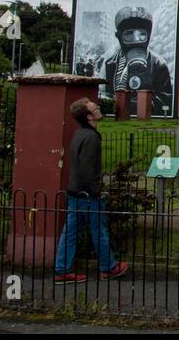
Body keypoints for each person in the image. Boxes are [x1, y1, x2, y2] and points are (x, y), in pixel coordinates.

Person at [54, 98, 128, 283]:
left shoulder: (80, 134)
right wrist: (96, 191)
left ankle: (62, 269)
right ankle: (108, 268)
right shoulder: (91, 138)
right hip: (87, 195)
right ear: (89, 116)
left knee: (70, 232)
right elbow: (87, 169)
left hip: (74, 191)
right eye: (94, 107)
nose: (98, 107)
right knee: (98, 230)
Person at [98, 7, 173, 115]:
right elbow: (104, 93)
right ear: (118, 36)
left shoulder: (158, 64)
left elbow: (165, 101)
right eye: (129, 34)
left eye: (142, 34)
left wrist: (141, 103)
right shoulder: (110, 64)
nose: (136, 40)